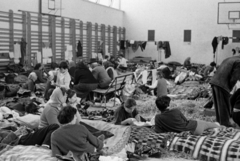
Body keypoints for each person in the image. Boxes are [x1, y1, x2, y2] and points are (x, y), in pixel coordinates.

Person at [154, 96, 220, 135]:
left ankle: (213, 129)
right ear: (168, 105)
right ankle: (216, 126)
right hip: (196, 126)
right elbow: (185, 121)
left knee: (208, 126)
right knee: (213, 124)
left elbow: (158, 131)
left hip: (192, 132)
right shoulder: (176, 111)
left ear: (157, 107)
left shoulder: (157, 118)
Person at [210, 56, 240, 127]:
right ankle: (225, 126)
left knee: (219, 106)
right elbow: (234, 78)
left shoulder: (231, 58)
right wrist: (230, 88)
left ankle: (219, 124)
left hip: (215, 82)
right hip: (223, 84)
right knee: (224, 107)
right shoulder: (239, 62)